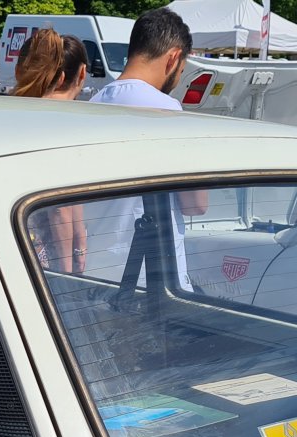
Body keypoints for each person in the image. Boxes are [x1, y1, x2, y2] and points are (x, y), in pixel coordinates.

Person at [90, 7, 208, 290]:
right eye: (182, 69)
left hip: (97, 272)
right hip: (150, 278)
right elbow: (196, 205)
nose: (178, 77)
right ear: (174, 57)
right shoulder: (168, 113)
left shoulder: (91, 105)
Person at [13, 29, 90, 273]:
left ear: (18, 70)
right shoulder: (59, 129)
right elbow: (62, 207)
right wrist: (69, 271)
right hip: (41, 261)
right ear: (81, 74)